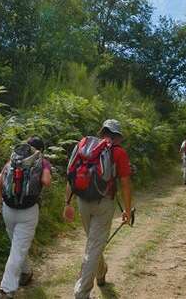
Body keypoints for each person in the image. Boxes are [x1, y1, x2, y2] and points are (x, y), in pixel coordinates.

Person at [65, 119, 132, 299]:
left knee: (94, 243)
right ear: (117, 136)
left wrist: (67, 203)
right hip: (104, 203)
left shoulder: (84, 147)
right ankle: (82, 293)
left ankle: (101, 272)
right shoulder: (119, 152)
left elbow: (71, 175)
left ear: (102, 132)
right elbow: (125, 183)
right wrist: (127, 210)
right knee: (94, 246)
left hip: (82, 201)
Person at [0, 137, 52, 299]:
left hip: (8, 209)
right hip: (28, 211)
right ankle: (6, 289)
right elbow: (46, 181)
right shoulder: (42, 162)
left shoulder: (13, 160)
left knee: (17, 245)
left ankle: (26, 272)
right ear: (41, 150)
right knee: (18, 249)